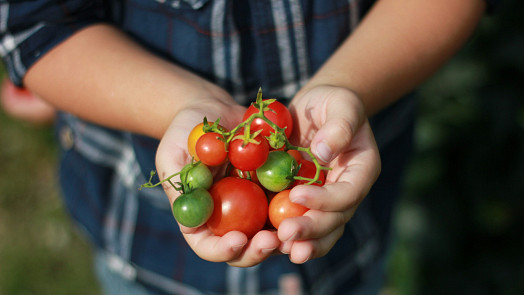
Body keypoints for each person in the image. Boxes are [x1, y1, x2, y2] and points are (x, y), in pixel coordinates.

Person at [0, 0, 493, 294]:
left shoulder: (282, 159)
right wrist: (182, 104)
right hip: (148, 251)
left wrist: (351, 86)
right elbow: (36, 27)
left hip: (352, 241)